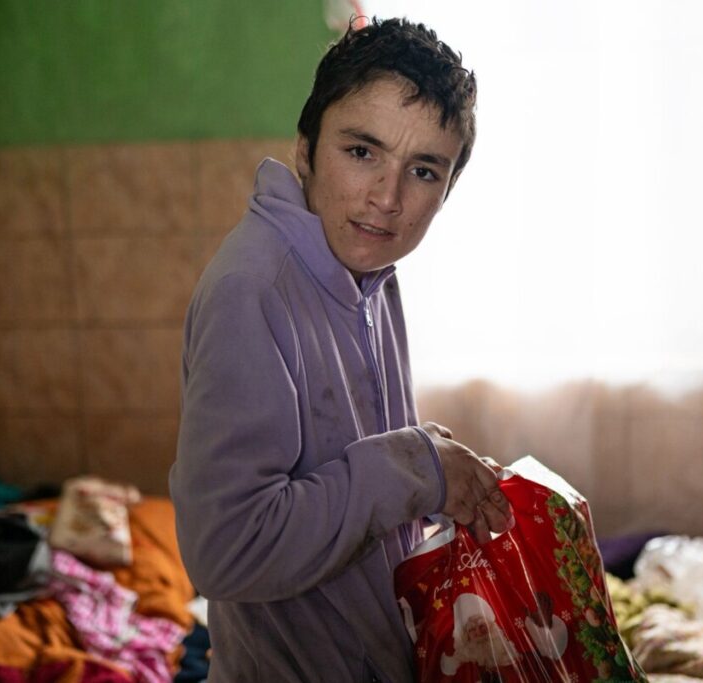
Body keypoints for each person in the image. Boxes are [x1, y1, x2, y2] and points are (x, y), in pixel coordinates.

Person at [169, 17, 512, 682]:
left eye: (422, 170)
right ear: (305, 149)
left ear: (447, 190)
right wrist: (416, 469)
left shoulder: (370, 273)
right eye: (361, 152)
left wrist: (438, 477)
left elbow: (354, 470)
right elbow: (227, 551)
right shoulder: (253, 289)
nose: (387, 198)